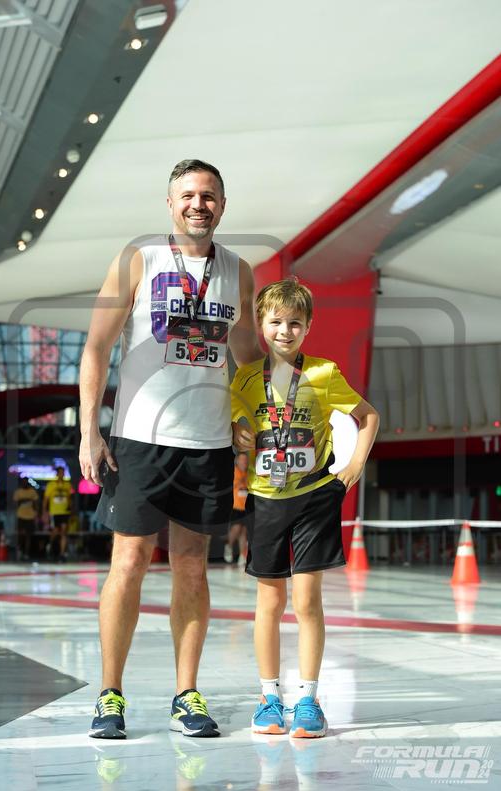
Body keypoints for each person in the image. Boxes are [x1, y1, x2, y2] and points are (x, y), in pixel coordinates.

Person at [79, 159, 262, 739]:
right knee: (129, 563)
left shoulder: (238, 272)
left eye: (208, 196)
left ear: (222, 205)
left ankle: (187, 694)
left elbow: (247, 356)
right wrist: (89, 430)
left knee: (190, 567)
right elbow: (96, 347)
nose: (197, 205)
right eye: (187, 195)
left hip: (207, 443)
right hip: (139, 438)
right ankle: (110, 694)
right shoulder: (139, 258)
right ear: (170, 203)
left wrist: (253, 413)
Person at [231, 279, 379, 738]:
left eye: (295, 323)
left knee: (307, 600)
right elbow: (234, 421)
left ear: (309, 326)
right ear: (261, 324)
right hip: (265, 501)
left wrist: (354, 465)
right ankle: (269, 699)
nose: (285, 331)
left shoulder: (324, 373)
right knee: (270, 602)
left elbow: (368, 416)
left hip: (314, 498)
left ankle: (310, 700)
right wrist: (238, 431)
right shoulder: (246, 378)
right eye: (276, 321)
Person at [223, 452, 249, 565]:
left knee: (244, 532)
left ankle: (242, 556)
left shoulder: (249, 473)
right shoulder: (234, 472)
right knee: (236, 528)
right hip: (235, 506)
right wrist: (241, 480)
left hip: (246, 507)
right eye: (242, 460)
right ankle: (228, 545)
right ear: (237, 461)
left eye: (245, 460)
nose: (244, 462)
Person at [42, 466, 72, 561]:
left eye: (63, 472)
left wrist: (71, 508)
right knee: (55, 531)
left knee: (64, 532)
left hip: (65, 512)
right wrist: (44, 512)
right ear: (57, 474)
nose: (62, 474)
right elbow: (46, 499)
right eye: (60, 472)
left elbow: (69, 498)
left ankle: (62, 554)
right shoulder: (51, 485)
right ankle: (49, 545)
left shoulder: (67, 485)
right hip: (54, 512)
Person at [14, 477, 39, 560]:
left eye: (26, 482)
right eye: (23, 482)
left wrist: (36, 513)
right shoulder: (18, 492)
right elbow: (15, 504)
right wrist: (23, 500)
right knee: (20, 534)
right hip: (20, 516)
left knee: (28, 536)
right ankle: (19, 550)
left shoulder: (32, 492)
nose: (24, 483)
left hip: (30, 516)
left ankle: (26, 553)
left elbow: (36, 503)